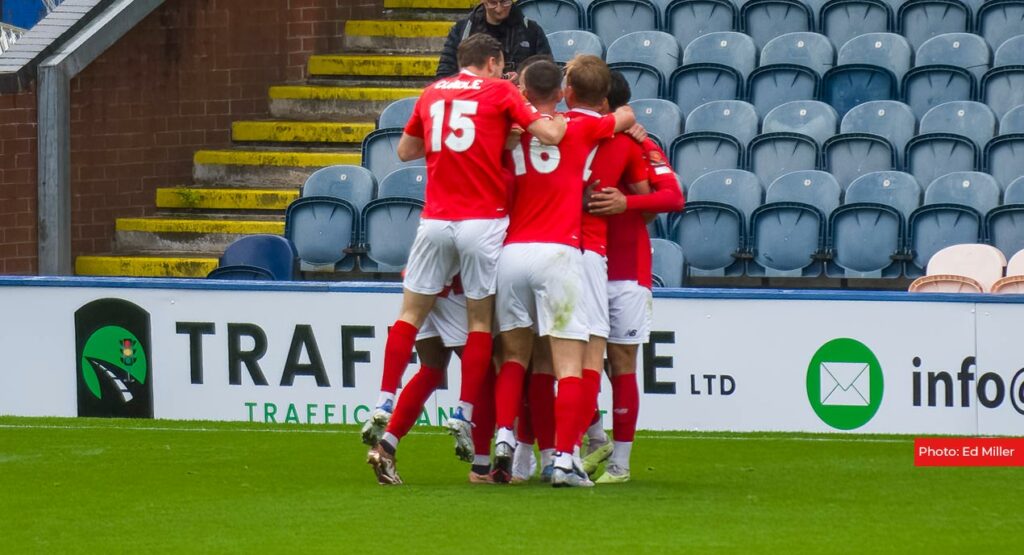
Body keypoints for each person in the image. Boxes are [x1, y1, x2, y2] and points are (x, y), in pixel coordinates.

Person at [365, 34, 566, 484]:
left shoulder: (433, 91)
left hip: (433, 228)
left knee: (429, 361)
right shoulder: (502, 93)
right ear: (494, 62)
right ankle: (476, 445)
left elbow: (404, 152)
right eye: (500, 65)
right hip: (479, 228)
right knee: (493, 348)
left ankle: (384, 418)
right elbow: (551, 132)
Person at [492, 57, 635, 487]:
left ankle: (507, 440)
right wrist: (625, 120)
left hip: (512, 254)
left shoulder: (511, 132)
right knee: (570, 365)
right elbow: (623, 115)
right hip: (559, 252)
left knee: (515, 357)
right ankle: (564, 462)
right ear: (562, 92)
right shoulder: (579, 127)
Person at [585, 80, 686, 484]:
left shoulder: (638, 143)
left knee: (621, 363)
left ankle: (620, 464)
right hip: (581, 264)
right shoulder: (571, 135)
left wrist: (628, 202)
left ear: (606, 102)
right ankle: (594, 438)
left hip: (626, 268)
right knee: (573, 360)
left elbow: (674, 197)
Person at [436, 0, 551, 79]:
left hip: (520, 100)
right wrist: (479, 81)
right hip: (476, 101)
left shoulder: (531, 30)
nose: (499, 9)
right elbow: (444, 75)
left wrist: (522, 79)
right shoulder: (462, 30)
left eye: (505, 1)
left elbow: (548, 72)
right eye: (492, 2)